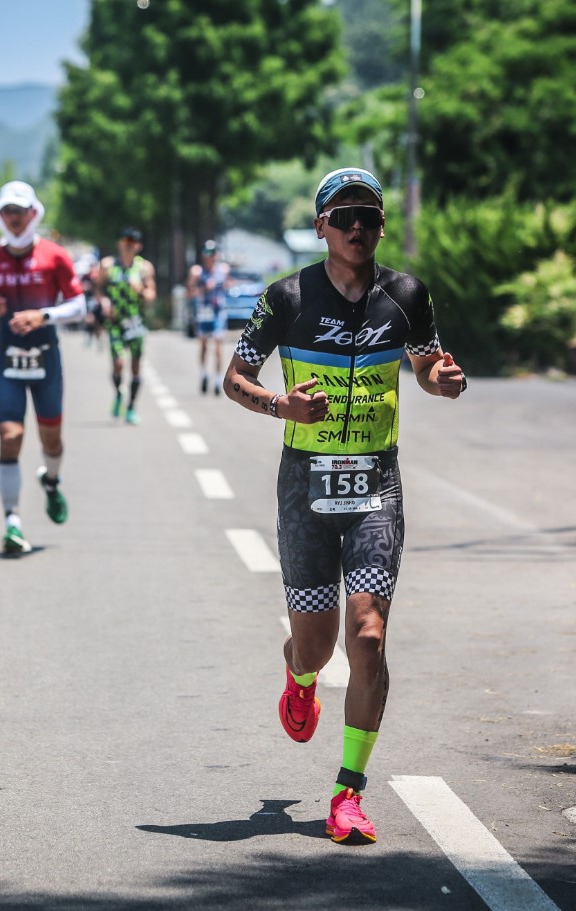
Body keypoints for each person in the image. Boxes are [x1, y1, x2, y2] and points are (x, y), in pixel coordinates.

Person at [222, 167, 467, 846]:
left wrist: (442, 380)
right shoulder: (287, 297)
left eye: (369, 216)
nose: (358, 226)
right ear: (321, 226)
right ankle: (298, 675)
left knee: (368, 637)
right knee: (317, 645)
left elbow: (426, 366)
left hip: (375, 487)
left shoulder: (407, 295)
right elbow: (234, 378)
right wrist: (282, 405)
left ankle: (348, 793)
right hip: (305, 487)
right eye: (344, 216)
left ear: (382, 226)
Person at [0, 181, 87, 556]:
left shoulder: (55, 256)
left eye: (20, 211)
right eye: (7, 212)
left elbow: (78, 305)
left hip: (45, 358)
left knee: (51, 440)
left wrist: (43, 315)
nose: (14, 218)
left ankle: (51, 479)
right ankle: (12, 522)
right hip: (7, 359)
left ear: (33, 213)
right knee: (10, 436)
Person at [98, 228, 156, 425]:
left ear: (138, 246)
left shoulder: (144, 268)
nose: (128, 246)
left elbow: (151, 295)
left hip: (135, 322)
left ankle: (131, 406)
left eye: (132, 243)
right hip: (115, 322)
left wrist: (140, 289)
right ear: (120, 243)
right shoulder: (108, 265)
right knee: (118, 363)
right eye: (125, 242)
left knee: (136, 366)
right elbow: (99, 288)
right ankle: (118, 393)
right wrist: (104, 301)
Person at [187, 239, 231, 395]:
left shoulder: (223, 270)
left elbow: (227, 285)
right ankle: (204, 373)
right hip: (204, 311)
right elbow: (189, 293)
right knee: (204, 344)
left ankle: (218, 379)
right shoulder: (197, 272)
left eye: (213, 254)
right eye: (208, 254)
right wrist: (204, 288)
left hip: (218, 310)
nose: (211, 257)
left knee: (218, 344)